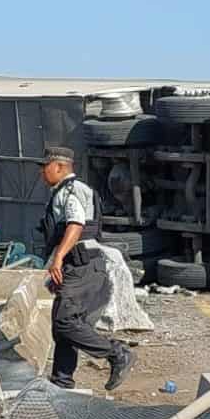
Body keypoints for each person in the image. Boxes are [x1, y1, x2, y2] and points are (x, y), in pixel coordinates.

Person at [39, 145, 135, 392]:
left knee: (64, 322)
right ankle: (62, 382)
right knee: (63, 327)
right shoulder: (69, 190)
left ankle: (117, 353)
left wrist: (58, 257)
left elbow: (76, 223)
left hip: (82, 266)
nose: (42, 173)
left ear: (59, 167)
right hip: (82, 266)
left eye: (45, 166)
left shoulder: (69, 191)